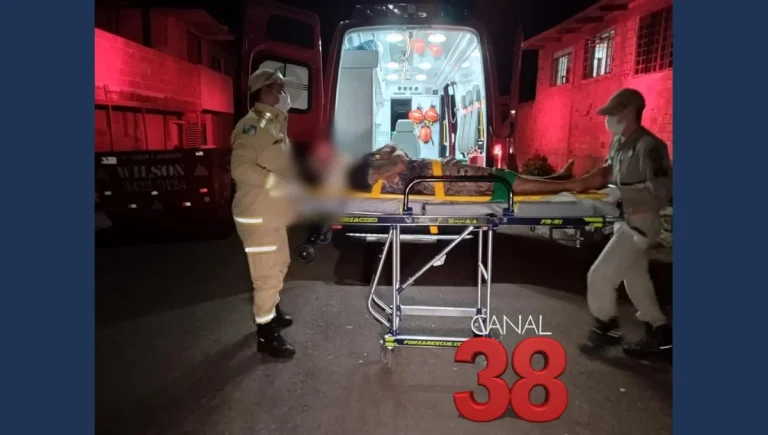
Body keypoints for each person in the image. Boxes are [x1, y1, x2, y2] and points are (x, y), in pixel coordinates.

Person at [581, 88, 673, 361]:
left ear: (630, 112)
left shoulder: (650, 147)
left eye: (613, 113)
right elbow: (609, 173)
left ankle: (606, 326)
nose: (608, 120)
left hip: (642, 223)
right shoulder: (619, 144)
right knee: (636, 280)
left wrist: (623, 193)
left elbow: (662, 189)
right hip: (626, 220)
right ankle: (661, 335)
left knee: (600, 275)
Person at [230, 68, 297, 359]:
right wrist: (275, 182)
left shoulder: (274, 123)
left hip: (272, 213)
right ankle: (266, 334)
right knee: (266, 277)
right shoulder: (252, 126)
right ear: (266, 91)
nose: (284, 94)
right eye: (279, 88)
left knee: (281, 263)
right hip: (257, 215)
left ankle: (272, 308)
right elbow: (240, 168)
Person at [345, 145, 605, 198]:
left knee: (503, 176)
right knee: (504, 180)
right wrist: (392, 152)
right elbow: (400, 161)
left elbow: (395, 150)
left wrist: (390, 149)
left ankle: (557, 179)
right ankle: (574, 185)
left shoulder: (371, 166)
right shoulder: (371, 169)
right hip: (446, 179)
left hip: (442, 172)